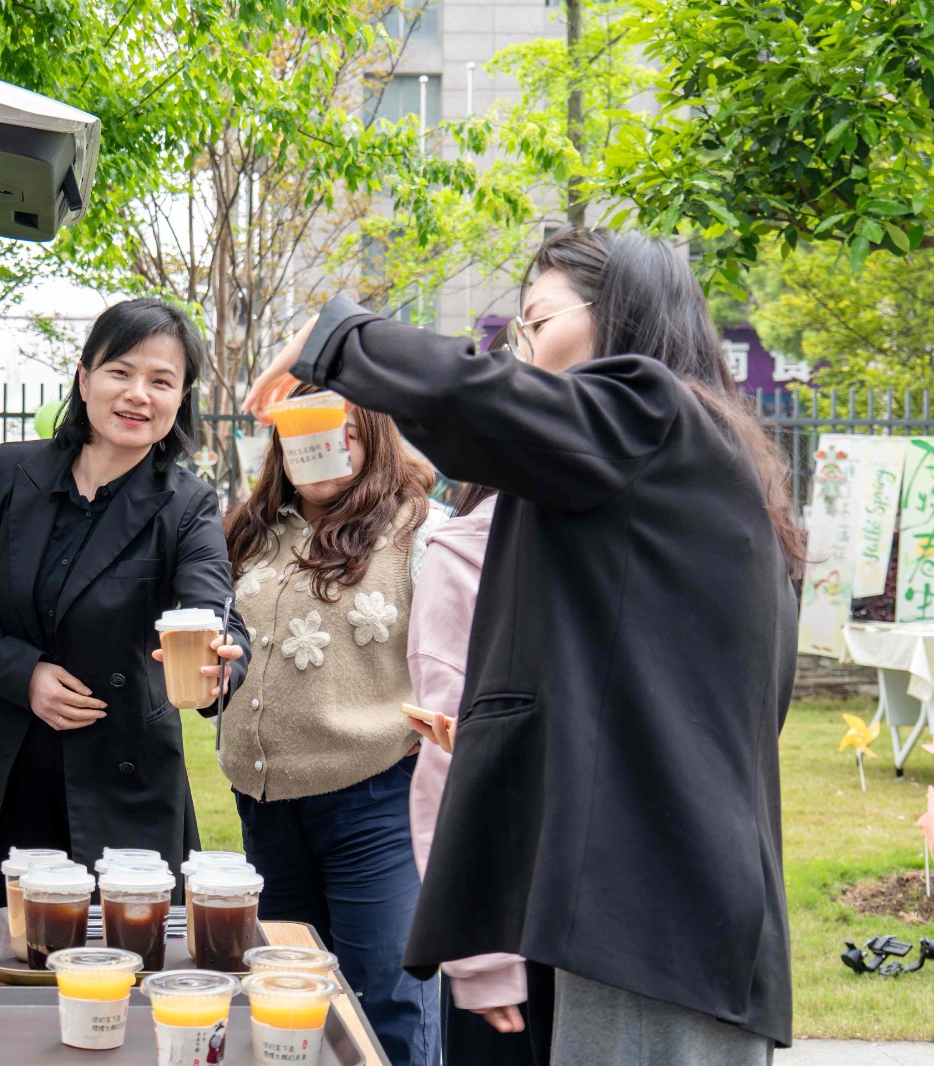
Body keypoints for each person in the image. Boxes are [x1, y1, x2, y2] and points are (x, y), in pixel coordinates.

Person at [246, 228, 800, 1064]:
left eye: (536, 322)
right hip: (652, 899)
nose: (520, 348)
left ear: (619, 315)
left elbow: (477, 400)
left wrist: (335, 338)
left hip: (653, 913)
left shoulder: (652, 413)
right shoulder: (684, 459)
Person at [0, 297, 248, 919]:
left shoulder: (187, 505)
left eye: (162, 381)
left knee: (124, 964)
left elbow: (215, 612)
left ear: (182, 399)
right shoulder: (7, 472)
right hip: (5, 764)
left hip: (122, 772)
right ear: (84, 377)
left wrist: (219, 665)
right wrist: (24, 674)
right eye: (120, 372)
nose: (138, 395)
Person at [219, 386, 443, 1066]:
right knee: (289, 1001)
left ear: (375, 436)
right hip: (265, 808)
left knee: (387, 1002)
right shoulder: (250, 532)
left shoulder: (420, 529)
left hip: (376, 803)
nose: (327, 444)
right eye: (307, 430)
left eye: (346, 429)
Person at [407, 483, 556, 1066]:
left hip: (592, 905)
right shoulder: (469, 552)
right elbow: (451, 748)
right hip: (517, 905)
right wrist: (484, 960)